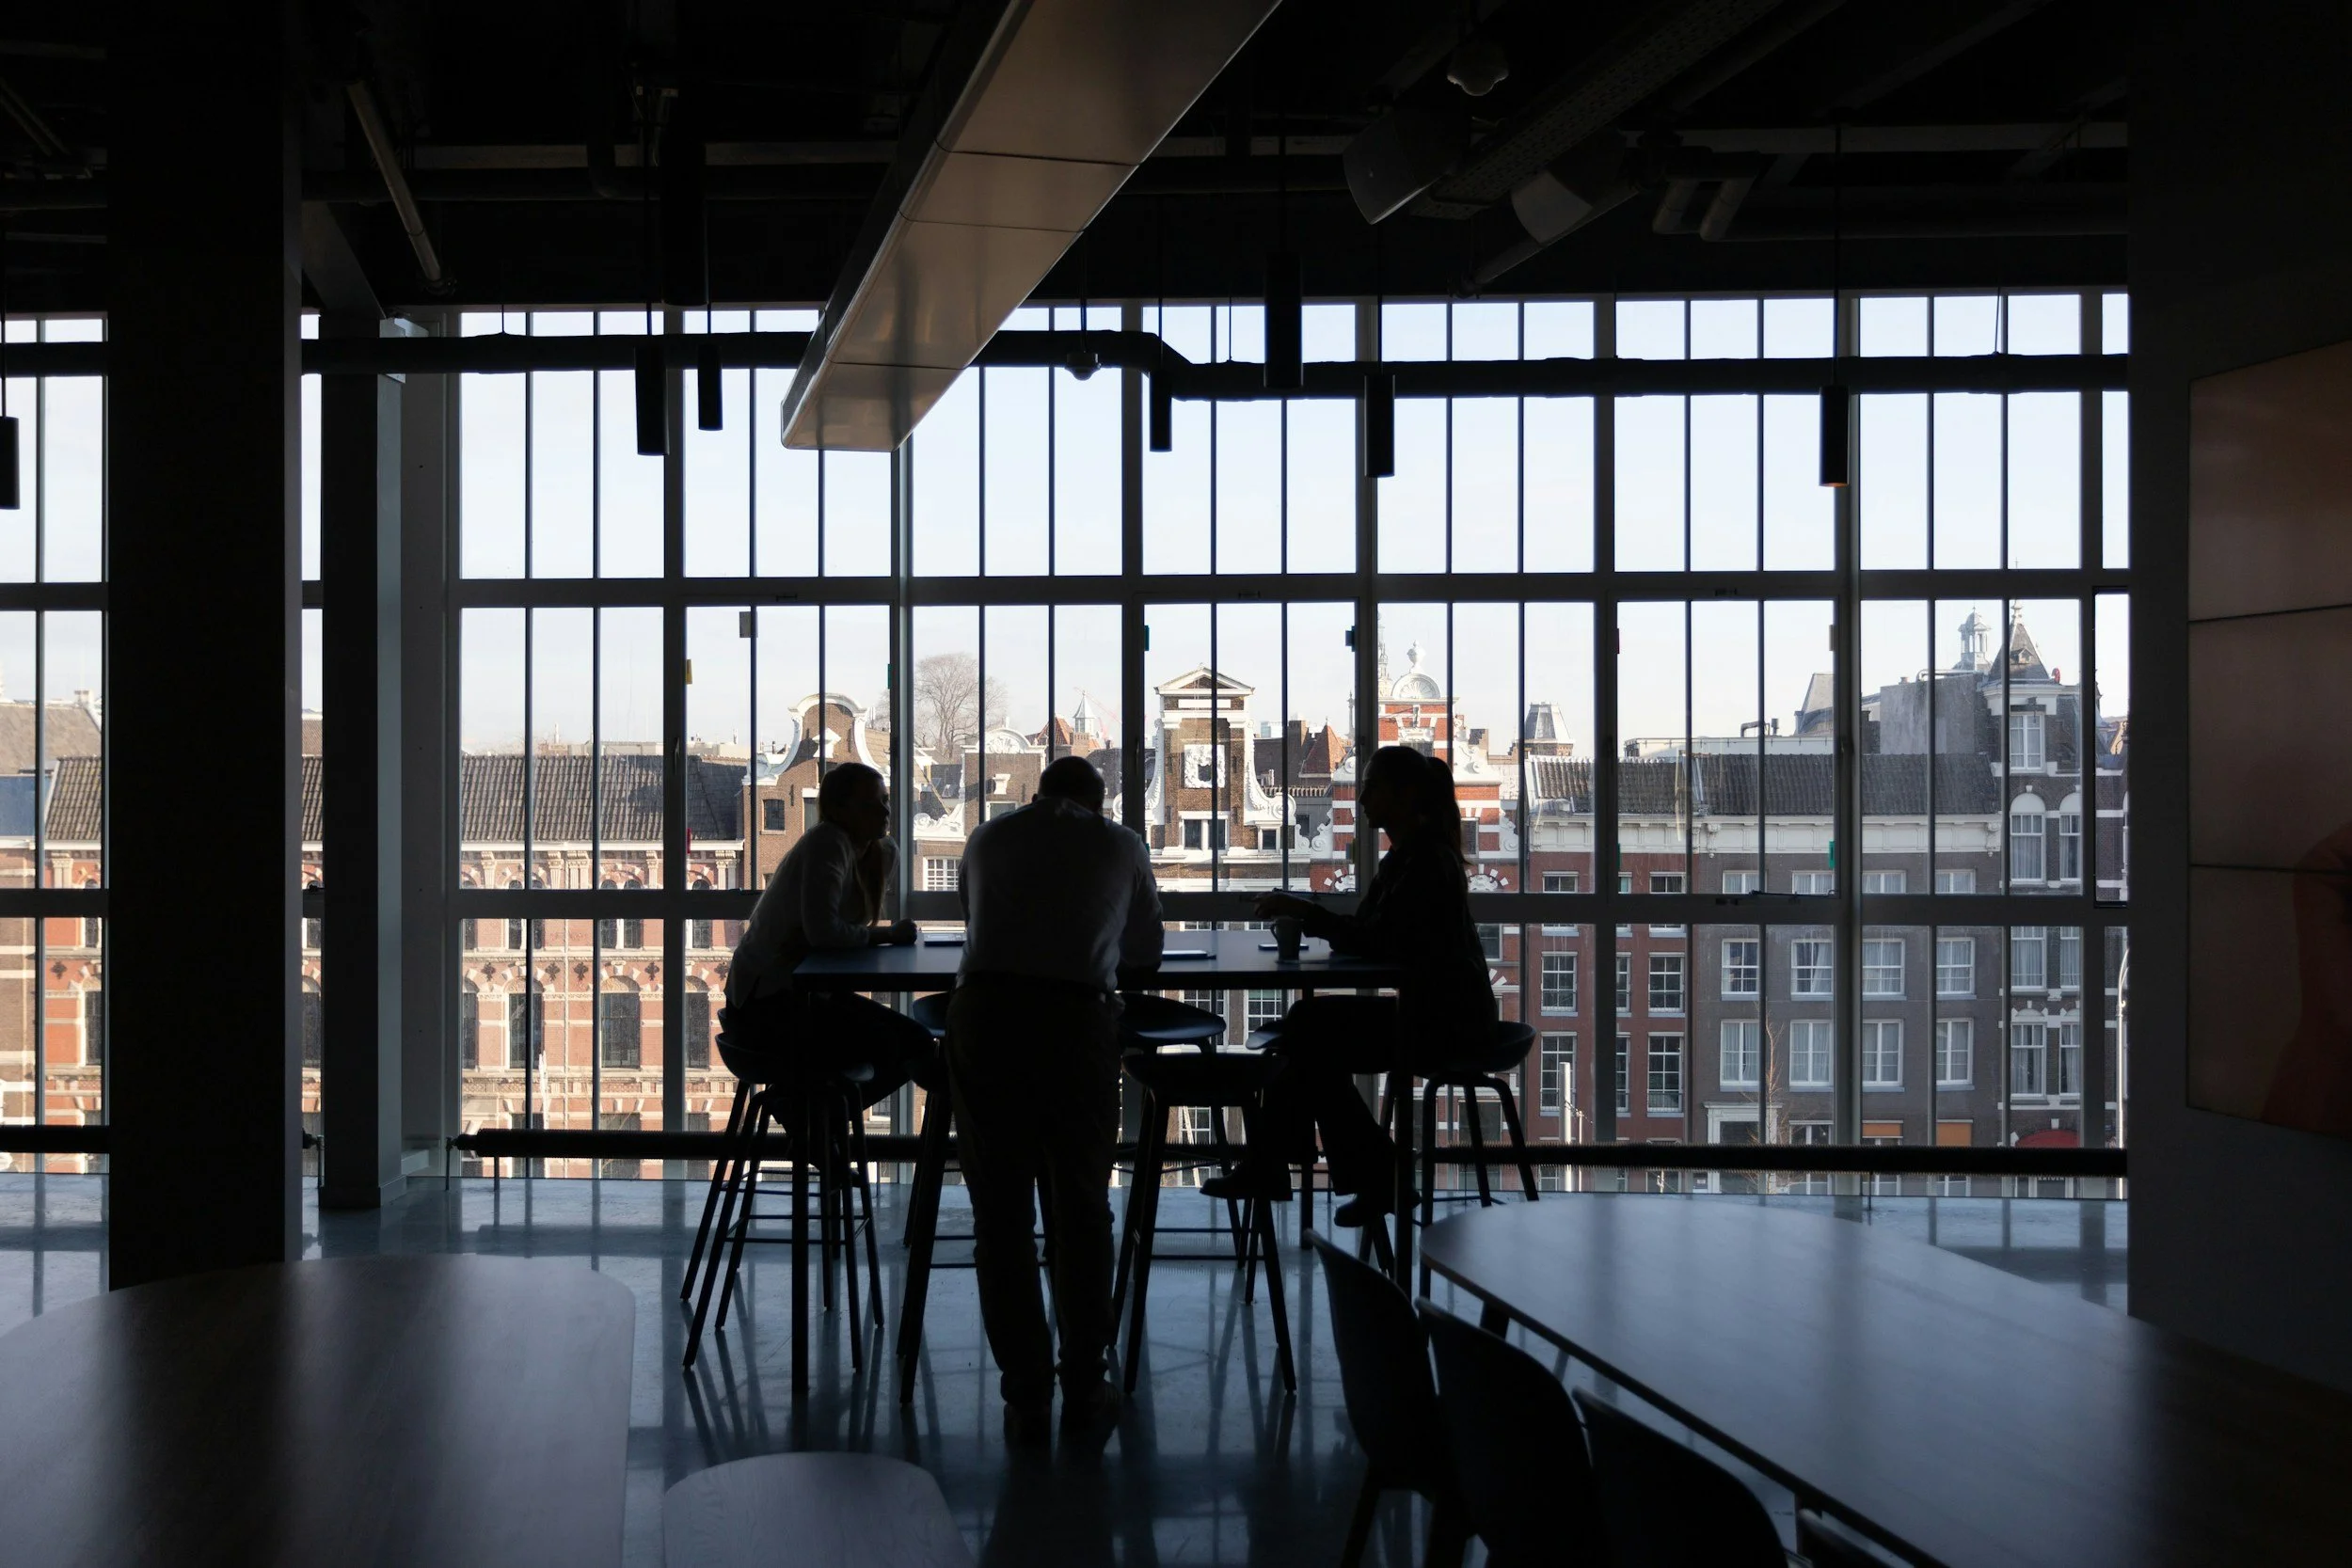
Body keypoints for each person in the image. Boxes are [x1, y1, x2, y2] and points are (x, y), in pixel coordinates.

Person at [950, 753, 1164, 1444]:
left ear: (1038, 792)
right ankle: (1084, 1380)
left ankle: (1025, 1392)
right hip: (1075, 1025)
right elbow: (1145, 954)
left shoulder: (986, 837)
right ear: (1099, 801)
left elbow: (972, 916)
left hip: (985, 1019)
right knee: (1080, 1207)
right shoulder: (1121, 844)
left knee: (1001, 1216)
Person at [1205, 745, 1496, 1225]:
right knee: (1309, 1035)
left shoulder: (1423, 864)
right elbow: (1370, 933)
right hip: (1442, 1013)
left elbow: (1376, 940)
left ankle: (1292, 1166)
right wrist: (1319, 918)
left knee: (1308, 1032)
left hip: (1445, 1024)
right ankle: (1347, 1171)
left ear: (1402, 796)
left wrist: (1305, 913)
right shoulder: (1407, 858)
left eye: (1370, 787)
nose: (1360, 798)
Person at [723, 761, 930, 1103]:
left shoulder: (870, 850)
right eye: (870, 804)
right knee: (914, 1044)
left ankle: (814, 1121)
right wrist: (888, 935)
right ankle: (806, 1116)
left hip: (778, 998)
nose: (884, 810)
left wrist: (884, 860)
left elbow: (840, 928)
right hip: (769, 1004)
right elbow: (824, 932)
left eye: (885, 801)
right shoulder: (828, 842)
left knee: (904, 1044)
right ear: (838, 810)